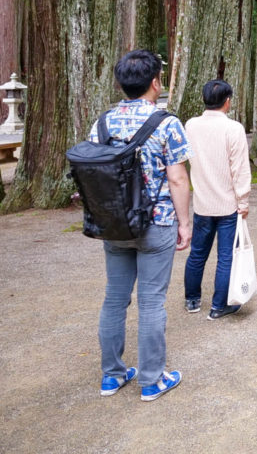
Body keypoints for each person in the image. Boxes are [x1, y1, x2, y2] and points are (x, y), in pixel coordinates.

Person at [92, 50, 191, 401]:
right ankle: (151, 379)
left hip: (115, 224)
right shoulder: (167, 124)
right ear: (155, 82)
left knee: (115, 298)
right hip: (156, 222)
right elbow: (178, 180)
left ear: (120, 83)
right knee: (151, 301)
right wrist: (185, 224)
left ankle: (112, 376)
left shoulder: (102, 123)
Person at [183, 80, 252, 320]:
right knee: (226, 257)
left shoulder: (191, 125)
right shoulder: (233, 128)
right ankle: (218, 305)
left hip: (202, 202)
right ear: (227, 101)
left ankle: (192, 299)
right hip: (228, 205)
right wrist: (243, 202)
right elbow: (240, 169)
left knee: (197, 253)